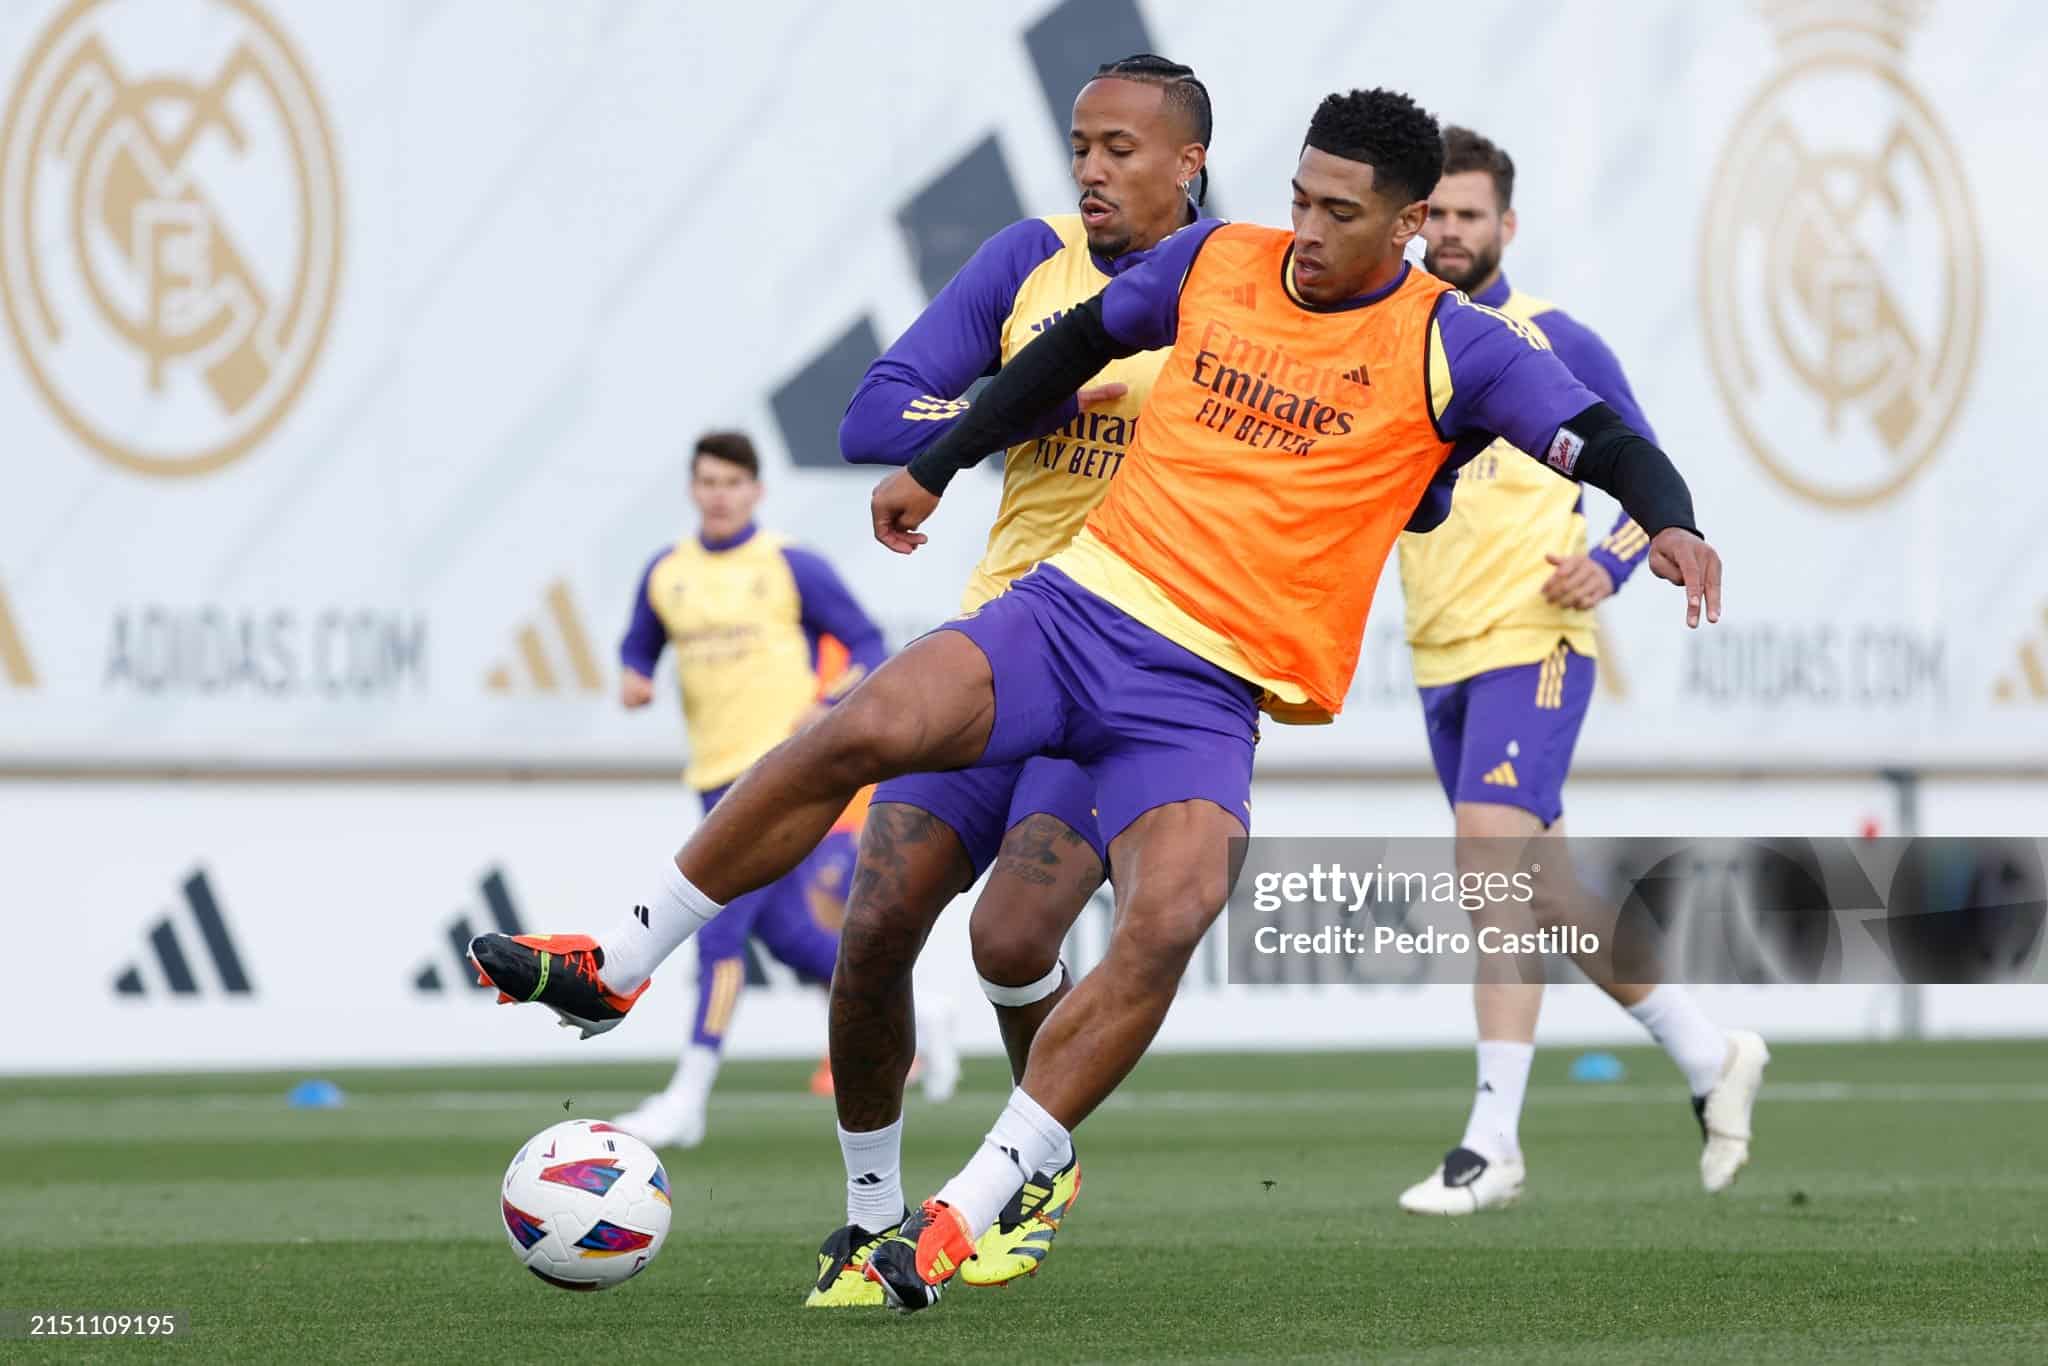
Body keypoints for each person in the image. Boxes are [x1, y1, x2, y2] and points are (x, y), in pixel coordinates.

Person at [468, 87, 1723, 1315]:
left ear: (1402, 228)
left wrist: (1667, 524)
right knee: (857, 730)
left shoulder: (1457, 343)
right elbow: (1073, 344)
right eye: (1296, 195)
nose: (1305, 227)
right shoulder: (1220, 259)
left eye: (1338, 211)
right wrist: (936, 460)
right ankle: (623, 959)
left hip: (1203, 690)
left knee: (1166, 913)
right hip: (1070, 614)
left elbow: (1605, 439)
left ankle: (966, 1207)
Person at [803, 53, 1216, 1307]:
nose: (1088, 169)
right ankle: (872, 1214)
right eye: (1079, 145)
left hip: (1137, 665)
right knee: (873, 925)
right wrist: (1015, 408)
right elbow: (872, 417)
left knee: (1012, 933)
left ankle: (1031, 1164)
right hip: (1000, 645)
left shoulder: (1238, 287)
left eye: (1116, 149)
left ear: (1188, 163)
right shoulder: (1023, 262)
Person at [1390, 127, 1765, 1215]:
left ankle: (1489, 1142)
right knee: (1546, 895)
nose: (1451, 231)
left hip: (1534, 645)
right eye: (1437, 214)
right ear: (1412, 225)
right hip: (1438, 653)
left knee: (1487, 869)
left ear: (1504, 227)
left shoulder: (1549, 338)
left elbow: (1642, 465)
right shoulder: (1396, 346)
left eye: (1470, 214)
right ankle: (1706, 1053)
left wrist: (1607, 560)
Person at [585, 432, 926, 1150]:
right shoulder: (667, 572)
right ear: (692, 487)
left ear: (756, 491)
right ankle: (928, 1010)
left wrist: (828, 705)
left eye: (733, 481)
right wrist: (633, 675)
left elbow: (868, 645)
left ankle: (688, 1095)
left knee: (721, 933)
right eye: (708, 480)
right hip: (713, 780)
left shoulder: (788, 563)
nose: (720, 493)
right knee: (794, 939)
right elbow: (639, 642)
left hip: (783, 779)